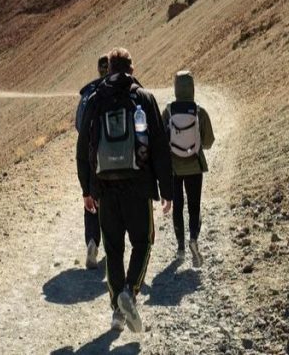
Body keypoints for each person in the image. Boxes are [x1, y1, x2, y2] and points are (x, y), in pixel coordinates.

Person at [77, 47, 173, 333]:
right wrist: (167, 190)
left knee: (113, 248)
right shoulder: (143, 98)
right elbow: (159, 147)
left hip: (105, 188)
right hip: (138, 186)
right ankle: (129, 292)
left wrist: (86, 189)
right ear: (131, 69)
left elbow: (83, 148)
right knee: (143, 242)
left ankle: (117, 314)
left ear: (108, 69)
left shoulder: (95, 100)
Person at [162, 70, 215, 268]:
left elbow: (161, 139)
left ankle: (180, 248)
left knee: (178, 207)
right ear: (192, 87)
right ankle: (193, 238)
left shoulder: (168, 111)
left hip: (174, 168)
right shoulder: (199, 111)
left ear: (176, 88)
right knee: (194, 206)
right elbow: (208, 142)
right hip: (194, 166)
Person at [75, 54, 110, 269]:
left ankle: (92, 242)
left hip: (89, 155)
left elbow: (79, 126)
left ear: (99, 70)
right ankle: (111, 243)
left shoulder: (88, 94)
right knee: (110, 200)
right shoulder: (116, 92)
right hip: (112, 155)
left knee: (90, 200)